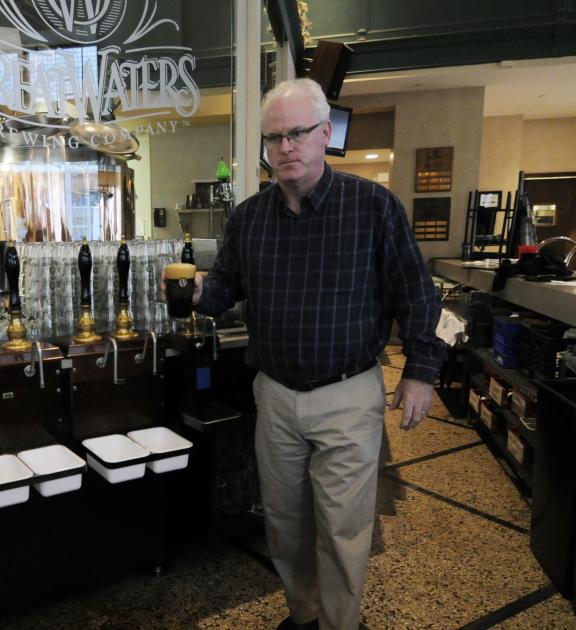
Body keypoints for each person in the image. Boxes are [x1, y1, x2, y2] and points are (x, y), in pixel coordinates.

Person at [180, 79, 444, 630]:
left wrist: (420, 374)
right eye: (274, 137)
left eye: (298, 133)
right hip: (274, 395)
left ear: (325, 134)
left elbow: (418, 295)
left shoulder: (373, 207)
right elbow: (225, 288)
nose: (286, 148)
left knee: (343, 529)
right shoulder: (249, 218)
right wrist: (197, 292)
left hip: (347, 394)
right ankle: (303, 614)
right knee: (284, 522)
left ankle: (339, 625)